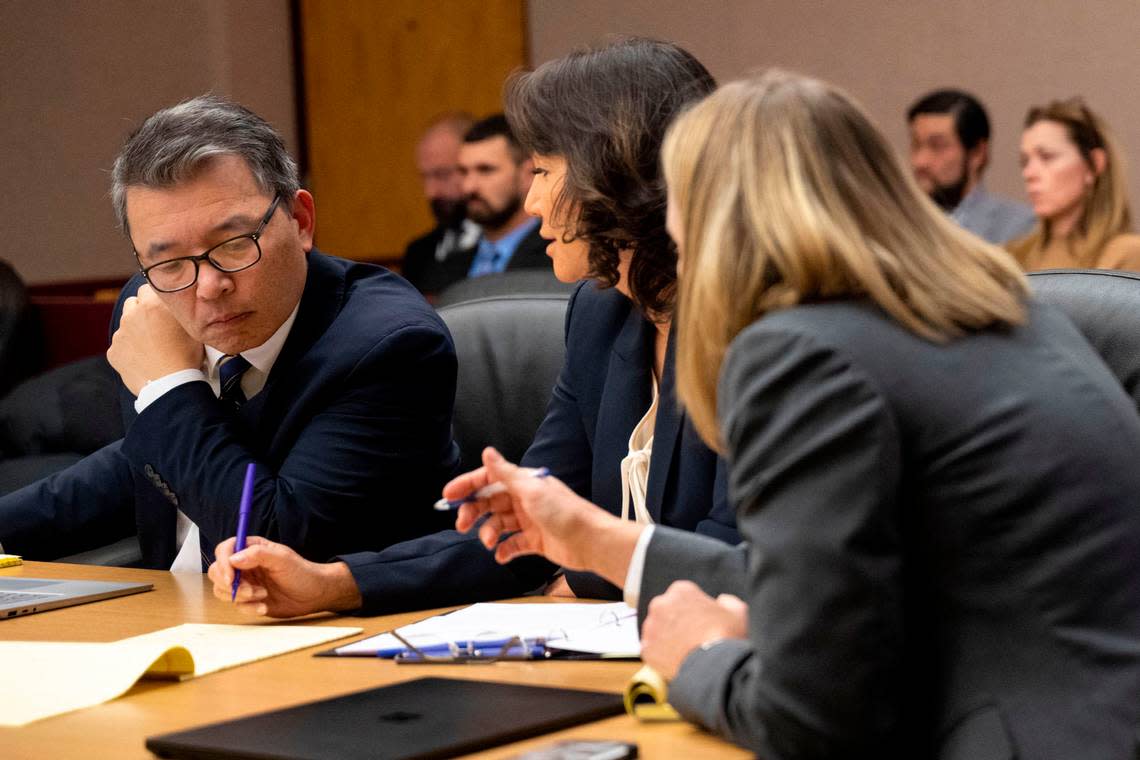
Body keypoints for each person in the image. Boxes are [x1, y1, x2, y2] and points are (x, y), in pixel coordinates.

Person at [456, 71, 1140, 758]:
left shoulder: (802, 352)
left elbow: (814, 718)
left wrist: (696, 659)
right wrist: (595, 539)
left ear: (712, 218)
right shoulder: (1001, 310)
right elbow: (828, 588)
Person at [206, 38, 739, 616]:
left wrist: (586, 578)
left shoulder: (752, 331)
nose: (531, 201)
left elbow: (737, 555)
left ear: (617, 176)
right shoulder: (600, 313)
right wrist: (334, 583)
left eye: (542, 170)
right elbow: (528, 523)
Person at [0, 96, 461, 570]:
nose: (208, 286)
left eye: (235, 244)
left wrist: (170, 387)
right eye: (170, 261)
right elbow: (144, 464)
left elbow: (276, 544)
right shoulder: (151, 306)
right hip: (171, 617)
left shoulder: (389, 343)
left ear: (301, 221)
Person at [1008, 97, 1140, 271]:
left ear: (1094, 164)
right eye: (1025, 161)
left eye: (1047, 157)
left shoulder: (1128, 254)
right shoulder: (1012, 256)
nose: (1029, 173)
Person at [908, 89, 1035, 243]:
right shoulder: (897, 223)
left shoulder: (1018, 228)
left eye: (937, 146)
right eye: (916, 145)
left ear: (977, 154)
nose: (920, 161)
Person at [457, 114, 550, 278]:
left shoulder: (556, 260)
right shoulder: (445, 266)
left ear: (528, 173)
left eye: (485, 170)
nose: (468, 187)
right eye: (463, 172)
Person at [401, 112, 482, 295]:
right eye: (425, 177)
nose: (430, 192)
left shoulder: (503, 242)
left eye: (442, 175)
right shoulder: (417, 252)